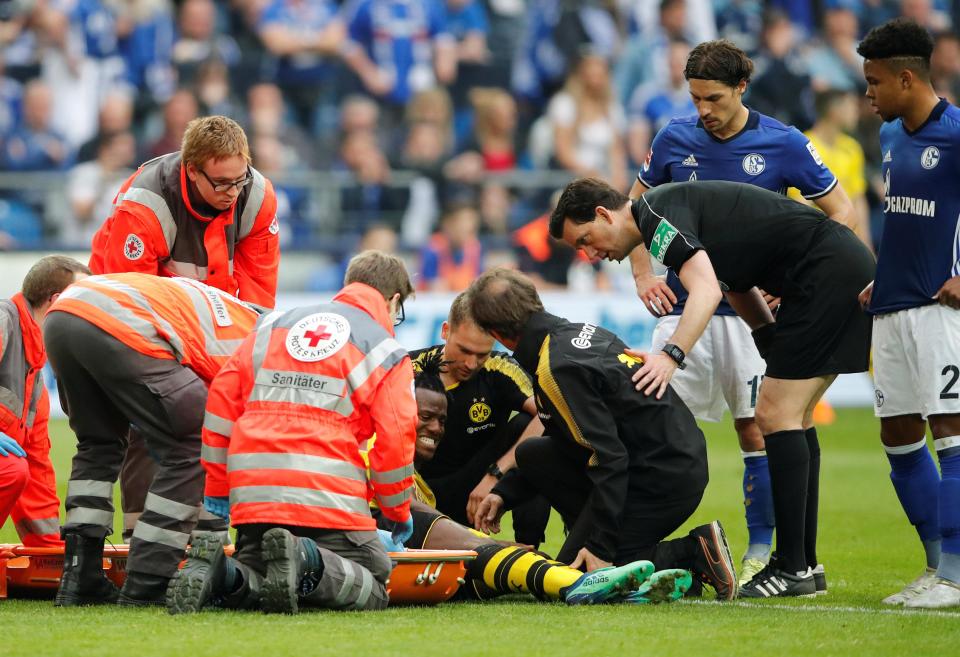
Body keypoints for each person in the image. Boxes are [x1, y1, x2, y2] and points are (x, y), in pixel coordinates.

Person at [550, 177, 875, 598]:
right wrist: (765, 336)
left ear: (603, 214)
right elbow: (732, 283)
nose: (591, 255)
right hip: (831, 270)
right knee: (792, 416)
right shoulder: (662, 213)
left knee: (775, 414)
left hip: (825, 274)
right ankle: (803, 565)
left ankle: (794, 566)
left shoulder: (655, 218)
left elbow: (703, 291)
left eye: (586, 240)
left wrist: (672, 355)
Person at [627, 38, 857, 588]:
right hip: (687, 310)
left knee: (760, 427)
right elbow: (632, 207)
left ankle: (763, 550)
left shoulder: (783, 143)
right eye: (696, 98)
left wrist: (795, 281)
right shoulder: (672, 138)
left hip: (751, 313)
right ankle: (637, 542)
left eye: (714, 99)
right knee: (648, 420)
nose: (703, 110)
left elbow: (841, 212)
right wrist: (642, 274)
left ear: (741, 89)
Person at [466, 268, 739, 601]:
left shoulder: (556, 368)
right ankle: (644, 561)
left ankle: (695, 551)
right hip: (664, 459)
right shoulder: (572, 334)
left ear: (497, 334)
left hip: (661, 478)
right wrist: (504, 493)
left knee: (573, 581)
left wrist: (600, 547)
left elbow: (609, 458)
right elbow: (566, 442)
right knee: (532, 452)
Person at [171, 251, 417, 615]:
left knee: (259, 570)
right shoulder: (386, 351)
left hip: (255, 488)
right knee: (376, 580)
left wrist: (219, 489)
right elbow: (396, 440)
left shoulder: (273, 325)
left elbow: (222, 403)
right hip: (327, 493)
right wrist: (396, 509)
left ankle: (224, 574)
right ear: (393, 300)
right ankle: (306, 558)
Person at [87, 114, 280, 543]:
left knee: (229, 409)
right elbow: (128, 299)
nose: (232, 192)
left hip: (207, 313)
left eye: (239, 179)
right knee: (148, 418)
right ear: (191, 170)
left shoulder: (257, 197)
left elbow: (257, 298)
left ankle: (212, 532)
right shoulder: (146, 205)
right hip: (129, 310)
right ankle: (143, 538)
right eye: (221, 183)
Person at [382, 351, 691, 605]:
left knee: (490, 575)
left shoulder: (419, 482)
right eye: (425, 417)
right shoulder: (377, 454)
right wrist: (488, 541)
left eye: (442, 421)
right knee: (478, 551)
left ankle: (615, 593)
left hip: (400, 566)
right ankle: (578, 583)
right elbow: (407, 509)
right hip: (374, 553)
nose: (436, 428)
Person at [45, 273, 259, 606]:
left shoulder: (237, 317)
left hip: (63, 315)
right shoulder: (256, 343)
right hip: (116, 322)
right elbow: (221, 438)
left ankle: (80, 575)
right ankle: (148, 580)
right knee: (194, 443)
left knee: (98, 444)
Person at [857, 18, 960, 609]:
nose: (867, 94)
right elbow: (906, 218)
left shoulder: (955, 134)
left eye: (874, 82)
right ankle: (933, 565)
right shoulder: (892, 137)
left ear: (905, 77)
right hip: (891, 305)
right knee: (898, 434)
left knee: (949, 430)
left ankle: (956, 569)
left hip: (939, 311)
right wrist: (880, 279)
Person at [410, 292, 549, 547]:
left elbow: (549, 414)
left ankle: (529, 548)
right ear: (445, 331)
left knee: (538, 439)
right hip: (418, 491)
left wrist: (495, 475)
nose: (471, 364)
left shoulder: (500, 368)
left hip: (480, 485)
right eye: (464, 350)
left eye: (482, 354)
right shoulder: (408, 369)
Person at [0, 256, 90, 548]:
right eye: (85, 302)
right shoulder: (3, 321)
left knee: (19, 467)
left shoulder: (34, 365)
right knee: (11, 469)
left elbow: (36, 465)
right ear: (56, 301)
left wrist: (50, 549)